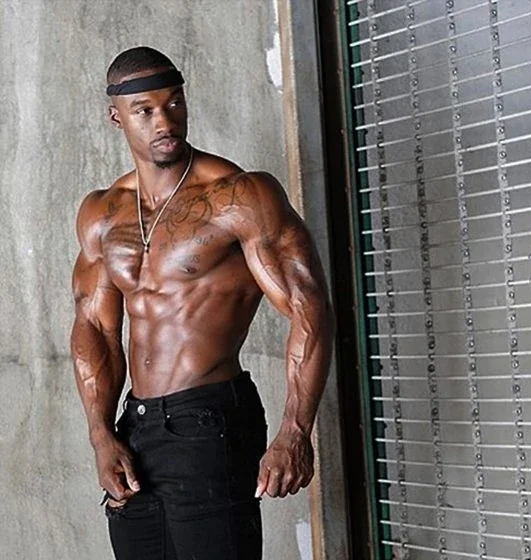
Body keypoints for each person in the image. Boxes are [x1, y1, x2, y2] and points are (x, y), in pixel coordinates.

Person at [69, 46, 334, 559]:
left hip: (209, 421)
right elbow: (94, 327)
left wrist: (295, 430)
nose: (164, 121)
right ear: (116, 117)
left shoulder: (240, 197)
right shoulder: (102, 213)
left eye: (174, 103)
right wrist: (101, 434)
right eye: (145, 110)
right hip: (135, 428)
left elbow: (310, 310)